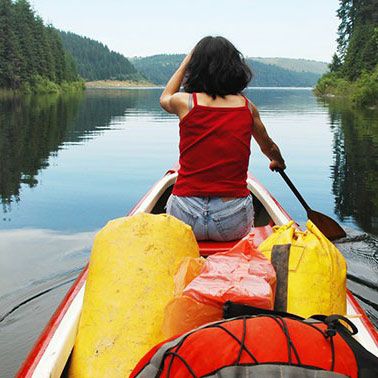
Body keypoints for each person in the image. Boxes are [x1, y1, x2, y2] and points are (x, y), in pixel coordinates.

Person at [160, 36, 286, 241]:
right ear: (235, 68)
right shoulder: (247, 107)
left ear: (195, 67)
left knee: (175, 206)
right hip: (231, 221)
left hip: (186, 217)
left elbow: (165, 96)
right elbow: (269, 146)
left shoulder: (185, 103)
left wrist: (186, 60)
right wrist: (278, 161)